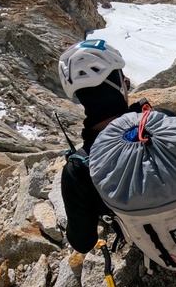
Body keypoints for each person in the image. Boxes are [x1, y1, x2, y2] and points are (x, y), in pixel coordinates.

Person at [57, 39, 157, 253]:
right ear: (119, 86)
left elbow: (83, 243)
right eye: (125, 81)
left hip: (153, 251)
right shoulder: (161, 122)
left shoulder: (79, 168)